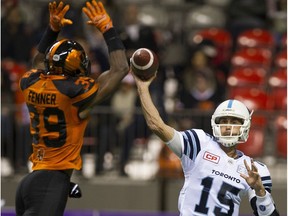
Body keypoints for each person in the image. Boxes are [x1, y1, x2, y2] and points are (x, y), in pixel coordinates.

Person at [15, 1, 129, 215]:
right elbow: (121, 68)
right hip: (50, 181)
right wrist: (108, 29)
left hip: (31, 181)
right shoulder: (74, 94)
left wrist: (52, 30)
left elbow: (38, 62)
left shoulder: (31, 82)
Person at [131, 69, 280, 215]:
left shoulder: (254, 169)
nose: (228, 127)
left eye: (234, 122)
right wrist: (142, 87)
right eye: (224, 121)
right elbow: (156, 125)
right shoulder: (199, 143)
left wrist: (260, 191)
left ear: (245, 126)